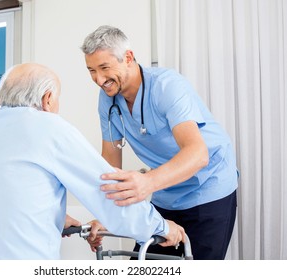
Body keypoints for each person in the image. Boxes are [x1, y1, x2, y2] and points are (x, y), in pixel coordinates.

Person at [0, 63, 185, 260]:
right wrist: (160, 227)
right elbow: (111, 191)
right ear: (48, 99)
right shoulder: (47, 126)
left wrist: (54, 215)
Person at [81, 25, 239, 260]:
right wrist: (106, 214)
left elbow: (198, 154)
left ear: (128, 57)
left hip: (208, 185)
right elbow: (110, 166)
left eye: (104, 68)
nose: (99, 79)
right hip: (165, 191)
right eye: (91, 70)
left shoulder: (167, 86)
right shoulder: (108, 99)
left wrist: (147, 183)